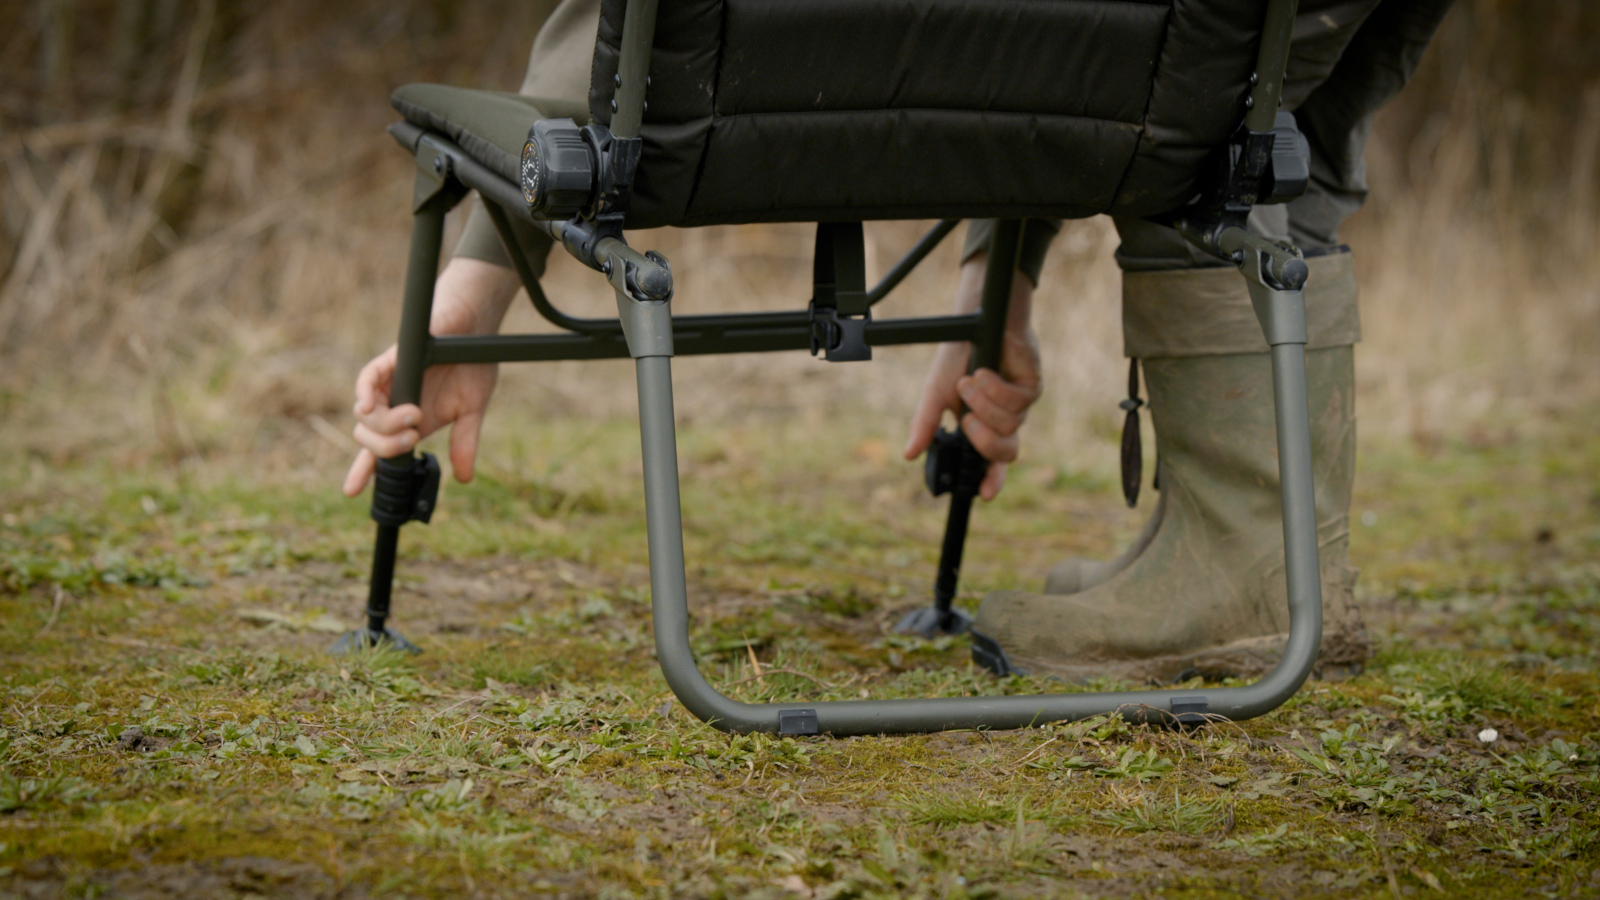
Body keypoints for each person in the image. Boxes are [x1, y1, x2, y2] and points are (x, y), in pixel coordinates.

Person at [344, 0, 1455, 684]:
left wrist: (472, 294)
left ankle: (1245, 578)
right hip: (1210, 54)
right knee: (1263, 125)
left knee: (1235, 131)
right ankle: (1257, 563)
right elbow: (1087, 67)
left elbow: (602, 67)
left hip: (712, 130)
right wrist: (995, 289)